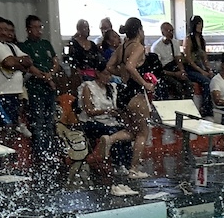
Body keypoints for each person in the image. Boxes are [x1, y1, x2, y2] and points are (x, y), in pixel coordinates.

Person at [106, 17, 155, 179]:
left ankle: (110, 139)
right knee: (143, 133)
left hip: (122, 94)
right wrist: (145, 83)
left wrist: (122, 75)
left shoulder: (122, 47)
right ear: (139, 30)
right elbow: (130, 66)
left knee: (132, 131)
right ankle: (134, 169)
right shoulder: (138, 47)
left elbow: (109, 66)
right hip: (135, 94)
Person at [19, 15, 60, 162]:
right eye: (35, 27)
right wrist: (45, 78)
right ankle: (40, 155)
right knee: (38, 122)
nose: (39, 30)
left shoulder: (46, 44)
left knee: (50, 122)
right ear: (28, 29)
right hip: (35, 89)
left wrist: (51, 74)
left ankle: (50, 153)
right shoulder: (24, 46)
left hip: (49, 89)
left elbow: (55, 61)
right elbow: (30, 67)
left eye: (40, 27)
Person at [0, 16, 33, 135]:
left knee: (13, 128)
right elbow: (8, 63)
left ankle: (10, 147)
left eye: (6, 29)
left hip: (14, 93)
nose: (4, 32)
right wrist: (19, 63)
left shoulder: (11, 46)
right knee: (2, 128)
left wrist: (16, 63)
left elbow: (29, 61)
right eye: (0, 29)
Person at [78, 65, 132, 172]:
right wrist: (106, 111)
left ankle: (128, 163)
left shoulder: (112, 88)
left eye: (110, 75)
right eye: (106, 74)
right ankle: (119, 163)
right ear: (98, 73)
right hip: (91, 121)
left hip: (109, 120)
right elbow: (89, 111)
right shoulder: (88, 87)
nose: (108, 77)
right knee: (113, 132)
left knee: (125, 131)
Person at [151, 21, 191, 100]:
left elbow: (178, 59)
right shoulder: (156, 47)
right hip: (164, 72)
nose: (171, 33)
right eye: (169, 31)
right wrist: (175, 74)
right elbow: (158, 70)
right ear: (163, 32)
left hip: (174, 68)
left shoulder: (174, 42)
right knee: (177, 85)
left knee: (188, 84)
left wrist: (182, 71)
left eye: (172, 31)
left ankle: (188, 103)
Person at [182, 15, 213, 116]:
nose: (200, 26)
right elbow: (188, 59)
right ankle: (206, 109)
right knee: (206, 82)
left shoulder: (201, 40)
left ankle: (213, 106)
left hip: (199, 67)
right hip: (190, 68)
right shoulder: (189, 39)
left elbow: (204, 57)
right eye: (198, 24)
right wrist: (202, 71)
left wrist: (209, 69)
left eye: (201, 24)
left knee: (215, 78)